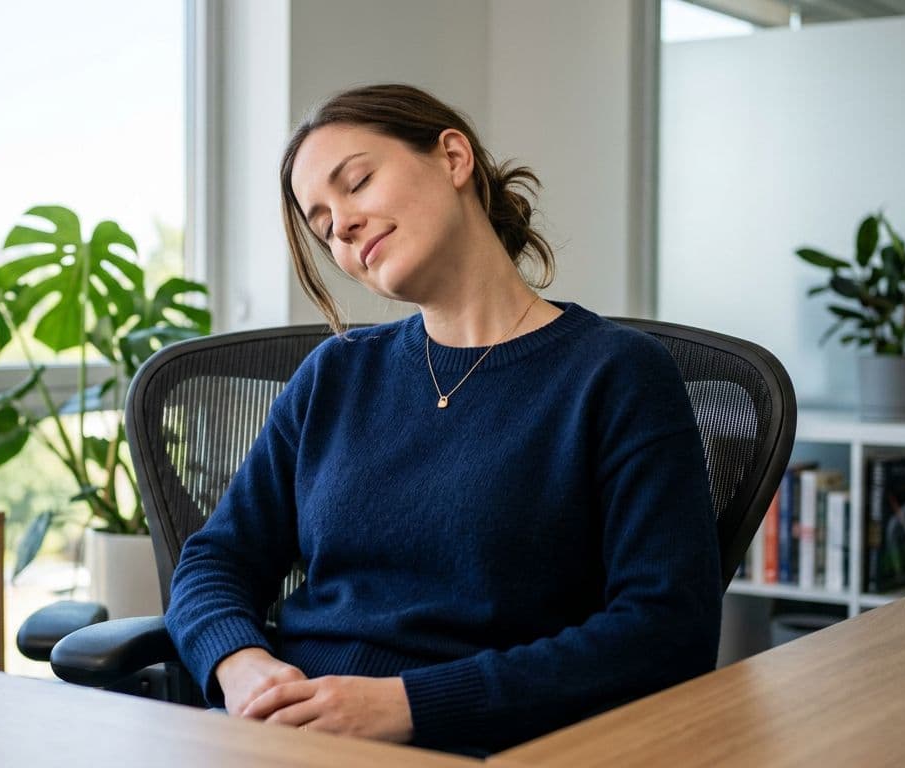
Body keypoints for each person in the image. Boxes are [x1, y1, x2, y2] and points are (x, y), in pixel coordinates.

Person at [164, 83, 721, 756]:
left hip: (482, 743)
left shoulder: (617, 374)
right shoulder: (335, 375)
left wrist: (411, 706)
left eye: (358, 182)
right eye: (321, 224)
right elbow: (215, 560)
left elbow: (666, 631)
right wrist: (242, 665)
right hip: (283, 735)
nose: (341, 226)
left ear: (453, 158)